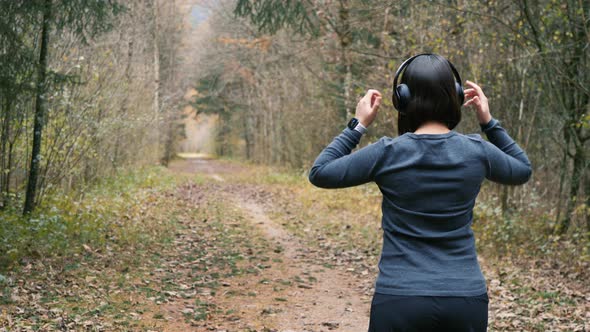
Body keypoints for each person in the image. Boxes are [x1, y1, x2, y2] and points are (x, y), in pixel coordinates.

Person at [308, 53, 532, 332]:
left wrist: (358, 124)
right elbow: (522, 169)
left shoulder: (387, 152)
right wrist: (488, 122)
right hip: (464, 299)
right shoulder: (478, 151)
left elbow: (320, 173)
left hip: (400, 298)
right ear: (457, 96)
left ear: (402, 99)